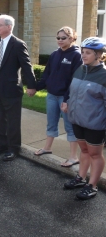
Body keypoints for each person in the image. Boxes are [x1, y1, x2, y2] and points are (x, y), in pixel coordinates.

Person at [0, 14, 36, 161]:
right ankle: (2, 144)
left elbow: (26, 66)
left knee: (12, 121)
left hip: (11, 90)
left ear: (9, 27)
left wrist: (31, 85)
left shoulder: (18, 44)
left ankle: (13, 148)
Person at [62, 37, 106, 200]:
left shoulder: (104, 75)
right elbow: (72, 91)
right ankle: (81, 178)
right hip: (77, 120)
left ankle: (92, 185)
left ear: (98, 55)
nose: (83, 55)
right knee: (85, 150)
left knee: (95, 154)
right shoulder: (80, 69)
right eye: (82, 52)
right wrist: (67, 102)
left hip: (95, 124)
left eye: (88, 53)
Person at [34, 27, 82, 167]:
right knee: (51, 122)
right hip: (52, 95)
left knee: (70, 126)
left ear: (72, 38)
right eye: (58, 38)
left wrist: (67, 100)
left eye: (64, 38)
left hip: (66, 97)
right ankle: (47, 148)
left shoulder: (76, 55)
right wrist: (35, 88)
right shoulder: (55, 54)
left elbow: (75, 81)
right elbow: (47, 75)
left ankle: (74, 157)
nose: (60, 40)